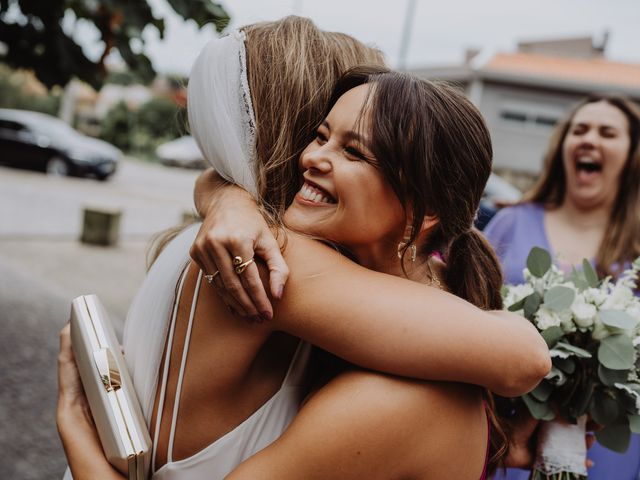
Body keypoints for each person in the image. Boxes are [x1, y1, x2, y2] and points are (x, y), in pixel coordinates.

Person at [57, 17, 549, 479]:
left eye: (353, 150)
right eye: (318, 134)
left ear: (424, 208)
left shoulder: (274, 259)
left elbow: (525, 356)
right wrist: (228, 197)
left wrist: (78, 434)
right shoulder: (261, 250)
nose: (312, 157)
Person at [484, 94, 640, 480]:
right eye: (579, 129)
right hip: (510, 433)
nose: (590, 139)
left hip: (607, 445)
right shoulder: (510, 223)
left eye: (607, 132)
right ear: (562, 146)